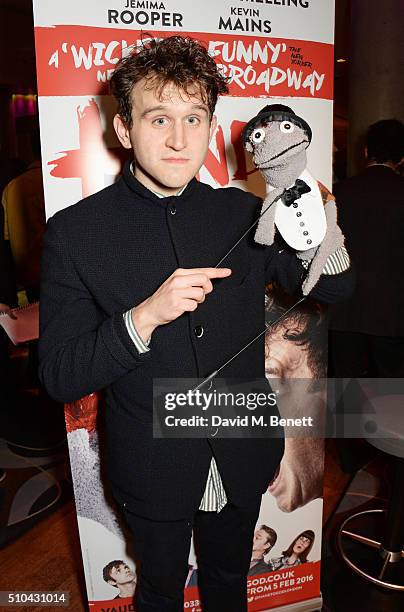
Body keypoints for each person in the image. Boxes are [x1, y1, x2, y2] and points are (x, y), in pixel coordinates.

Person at [38, 36, 353, 612]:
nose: (179, 139)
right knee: (159, 590)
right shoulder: (76, 232)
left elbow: (332, 289)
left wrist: (321, 236)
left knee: (230, 583)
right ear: (125, 129)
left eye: (193, 117)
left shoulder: (245, 213)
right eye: (159, 118)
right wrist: (143, 318)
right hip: (152, 460)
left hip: (243, 447)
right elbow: (59, 373)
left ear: (211, 125)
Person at [330, 119, 404, 377]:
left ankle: (346, 420)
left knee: (345, 391)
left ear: (365, 152)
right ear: (402, 158)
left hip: (343, 310)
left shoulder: (338, 193)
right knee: (392, 394)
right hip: (393, 313)